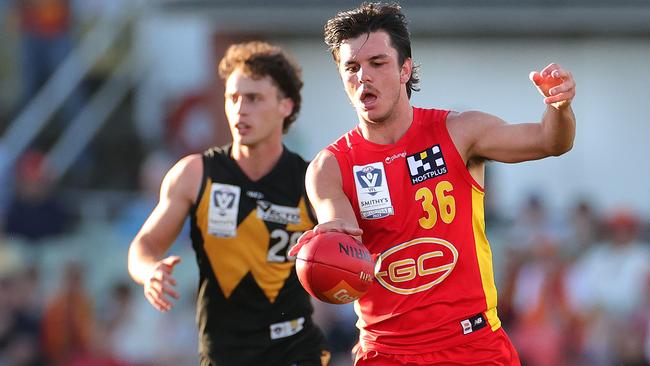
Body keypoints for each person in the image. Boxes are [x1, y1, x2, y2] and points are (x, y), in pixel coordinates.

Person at [291, 3, 576, 365]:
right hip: (386, 352)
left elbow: (551, 142)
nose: (363, 77)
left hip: (473, 346)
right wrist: (326, 245)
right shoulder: (329, 166)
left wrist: (559, 107)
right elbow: (340, 230)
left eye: (377, 64)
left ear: (404, 69)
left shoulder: (459, 132)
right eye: (351, 67)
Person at [127, 41, 329, 366]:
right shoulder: (194, 174)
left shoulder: (312, 179)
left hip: (296, 351)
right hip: (224, 355)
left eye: (254, 98)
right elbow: (144, 245)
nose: (240, 109)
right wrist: (149, 270)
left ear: (285, 106)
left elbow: (350, 250)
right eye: (232, 98)